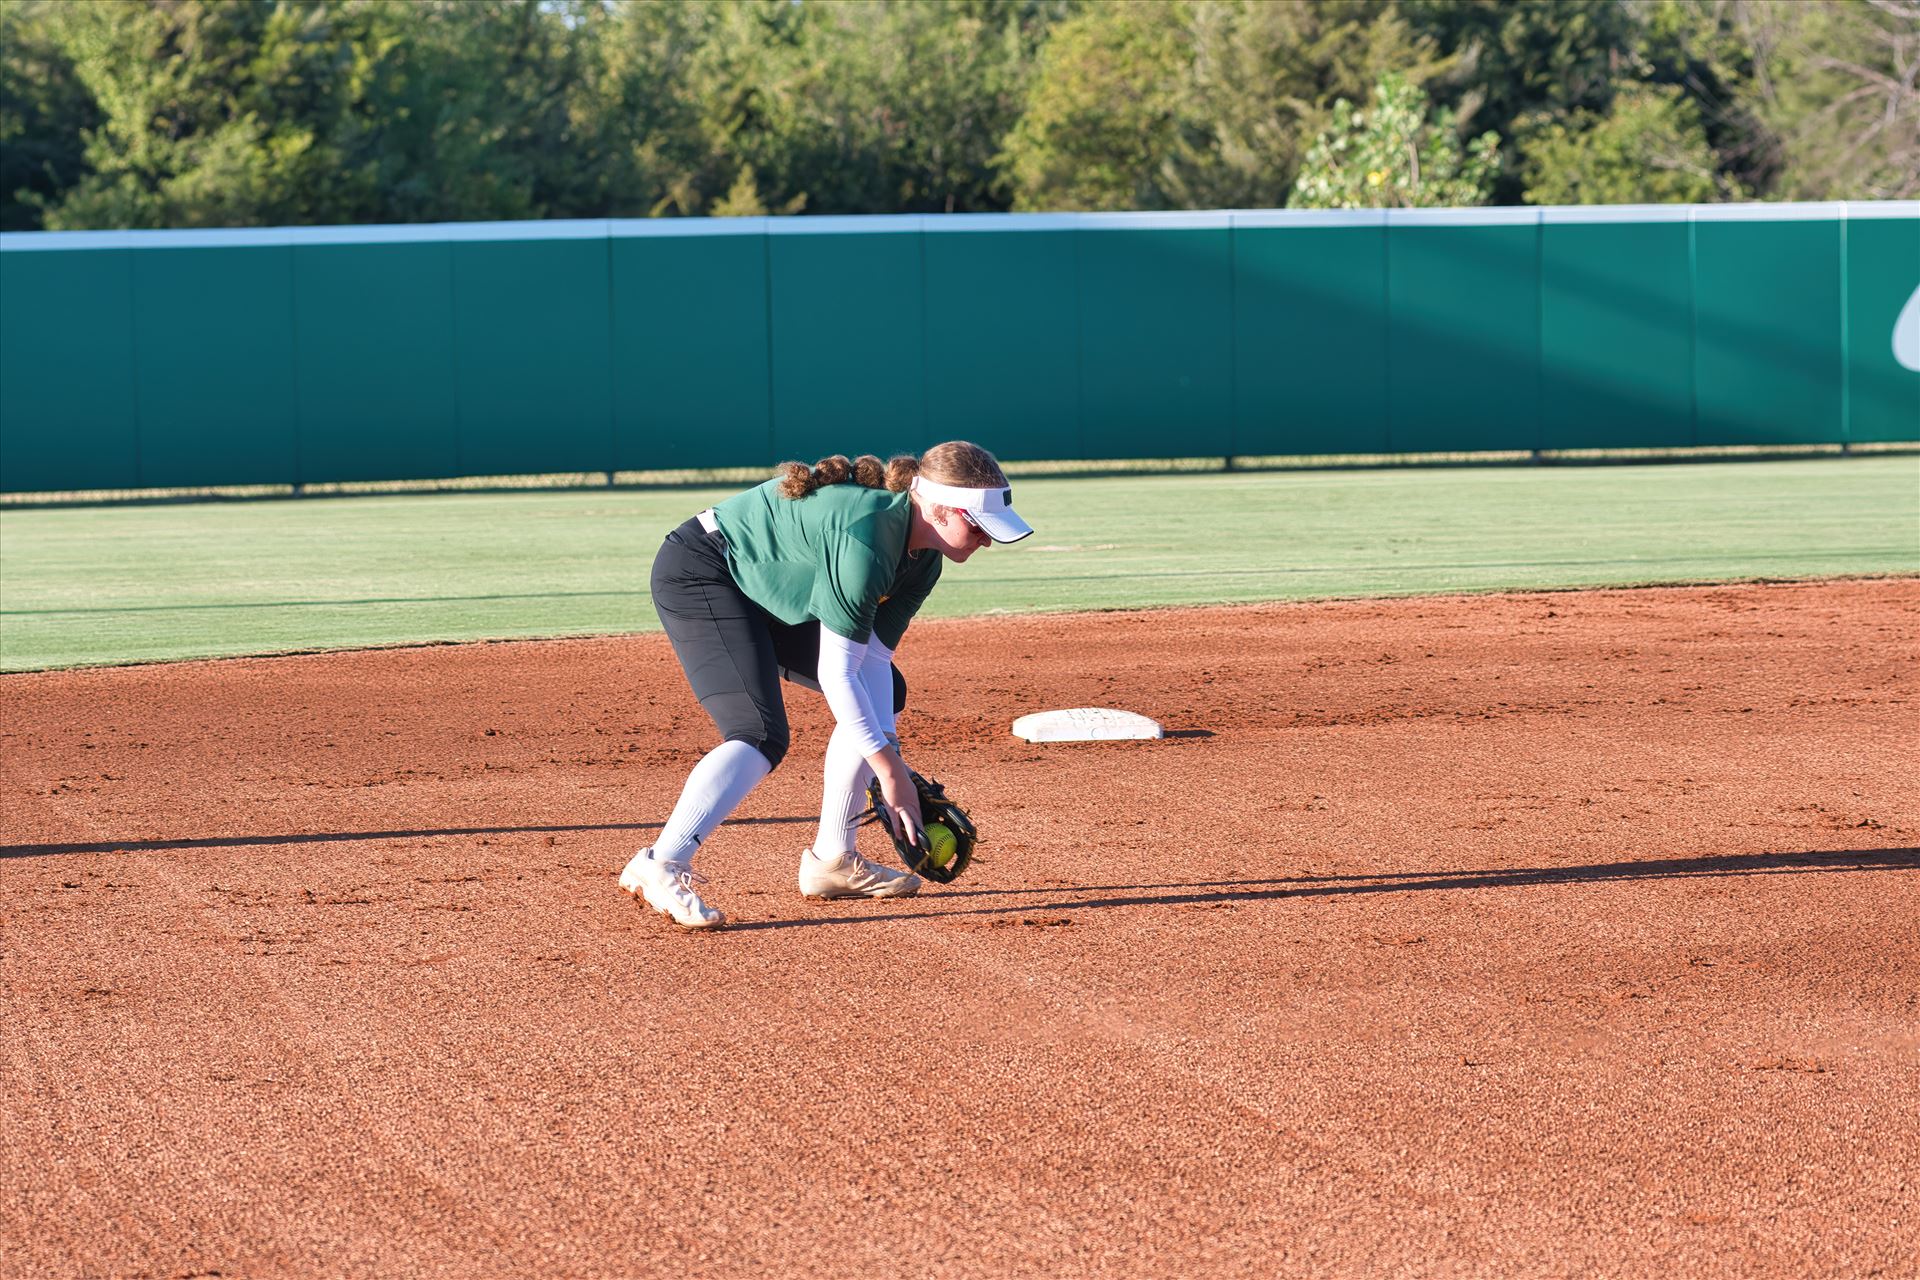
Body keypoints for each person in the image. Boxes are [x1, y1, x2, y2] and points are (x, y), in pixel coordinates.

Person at [619, 440, 1033, 929]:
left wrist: (889, 753)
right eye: (978, 526)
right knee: (759, 733)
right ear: (939, 509)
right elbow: (837, 674)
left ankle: (833, 860)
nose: (986, 540)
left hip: (772, 592)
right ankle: (661, 862)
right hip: (705, 573)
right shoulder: (865, 538)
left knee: (886, 696)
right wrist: (889, 770)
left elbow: (872, 661)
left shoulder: (923, 559)